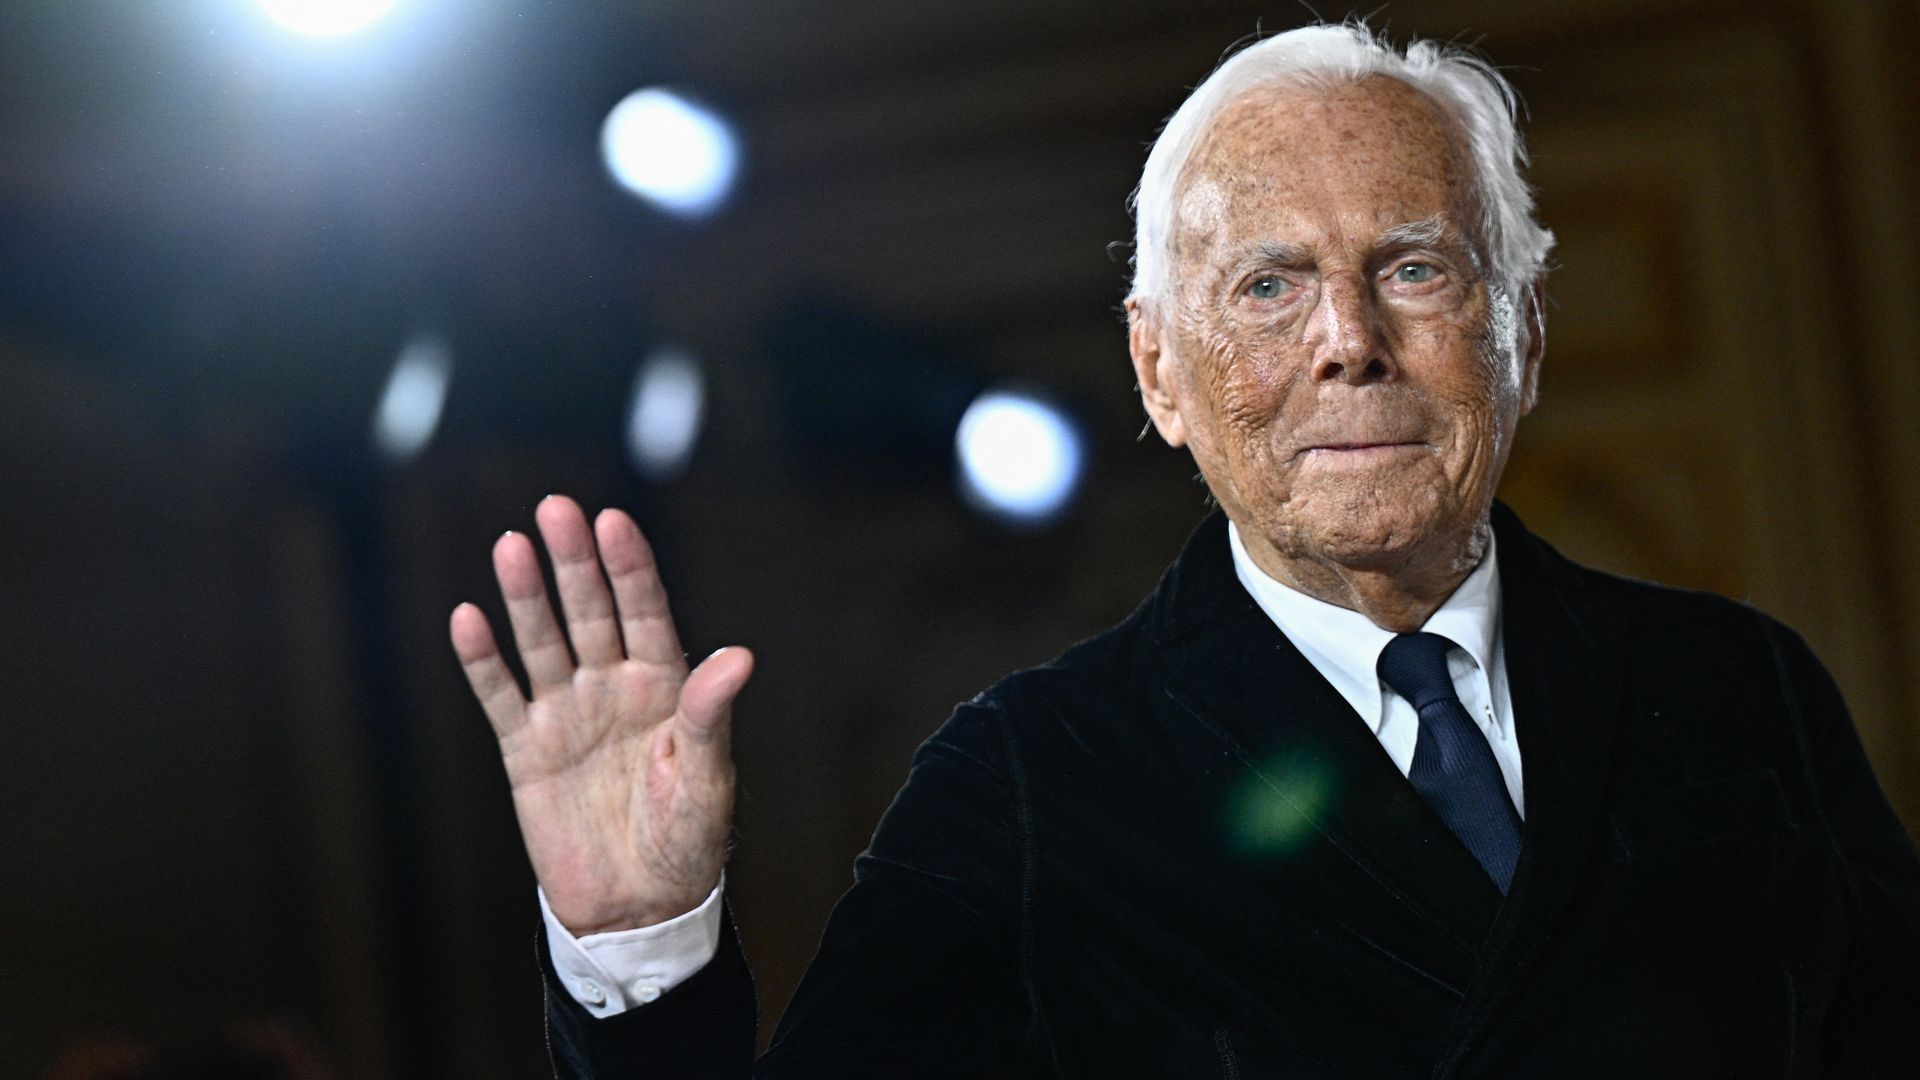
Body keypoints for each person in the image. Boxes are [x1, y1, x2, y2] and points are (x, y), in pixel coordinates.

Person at [448, 22, 1920, 1078]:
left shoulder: (1742, 695)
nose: (1351, 343)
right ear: (1160, 373)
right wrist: (641, 955)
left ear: (1519, 333)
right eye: (1270, 287)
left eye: (1412, 267)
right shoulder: (1029, 784)